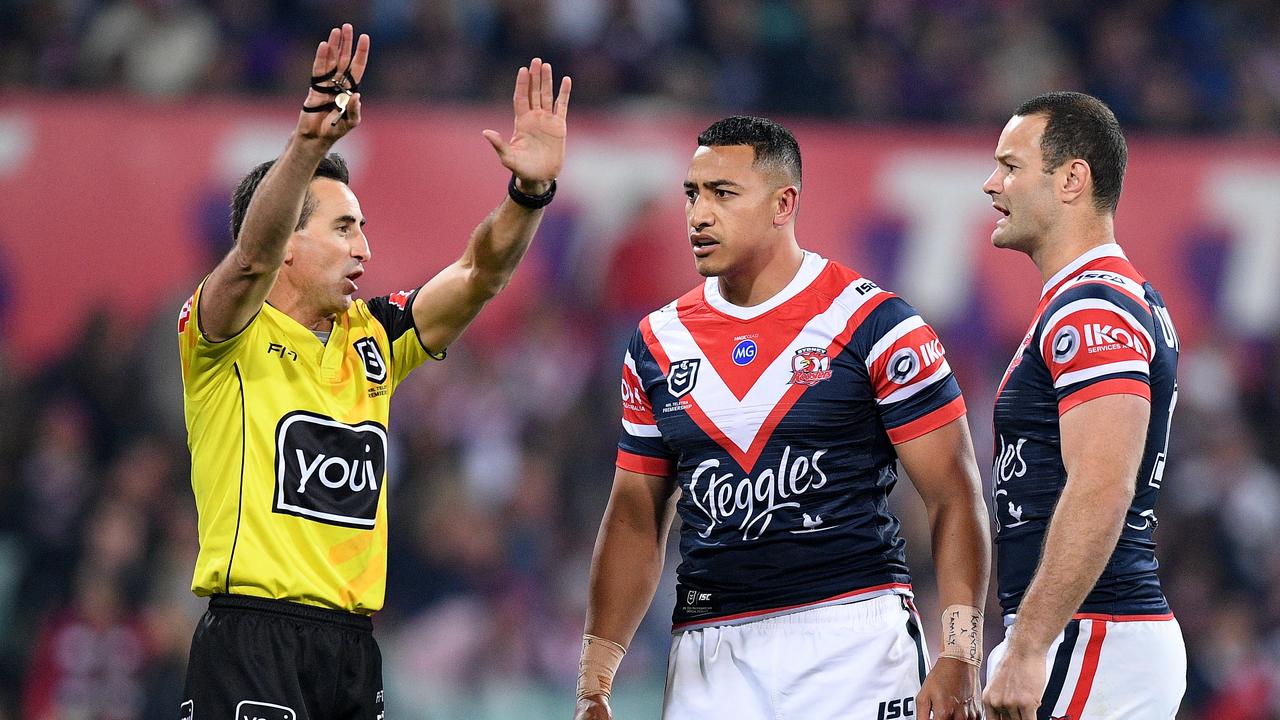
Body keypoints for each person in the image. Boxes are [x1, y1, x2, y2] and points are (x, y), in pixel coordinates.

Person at [176, 23, 570, 719]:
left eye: (362, 226)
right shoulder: (223, 330)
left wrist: (528, 193)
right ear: (287, 243)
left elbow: (479, 273)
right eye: (342, 227)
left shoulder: (374, 338)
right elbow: (247, 261)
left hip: (354, 648)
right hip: (252, 636)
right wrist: (309, 145)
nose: (364, 245)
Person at [573, 116, 990, 720]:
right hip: (709, 649)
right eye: (692, 193)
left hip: (854, 634)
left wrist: (960, 652)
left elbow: (954, 495)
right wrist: (595, 682)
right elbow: (636, 517)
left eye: (723, 193)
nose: (699, 215)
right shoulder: (654, 343)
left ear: (783, 203)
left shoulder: (875, 324)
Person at [979, 92, 1185, 720]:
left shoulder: (1091, 308)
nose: (992, 185)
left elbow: (1102, 484)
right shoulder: (1105, 298)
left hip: (1092, 634)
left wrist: (1029, 643)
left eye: (1011, 166)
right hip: (1094, 632)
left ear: (1072, 179)